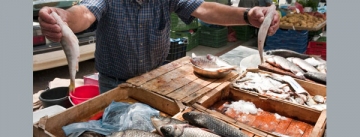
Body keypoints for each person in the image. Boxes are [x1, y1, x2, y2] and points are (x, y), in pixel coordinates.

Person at [38, 0, 280, 94]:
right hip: (114, 84)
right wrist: (65, 19)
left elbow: (205, 9)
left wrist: (248, 15)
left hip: (156, 78)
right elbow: (85, 14)